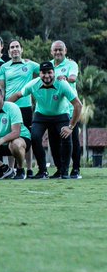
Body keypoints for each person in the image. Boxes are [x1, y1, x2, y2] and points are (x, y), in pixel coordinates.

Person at [8, 62, 82, 179]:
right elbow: (18, 95)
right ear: (40, 73)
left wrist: (71, 127)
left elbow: (78, 105)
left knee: (66, 137)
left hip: (61, 114)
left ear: (54, 73)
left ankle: (63, 171)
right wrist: (5, 107)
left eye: (49, 72)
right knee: (35, 136)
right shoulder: (33, 84)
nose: (46, 75)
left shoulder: (62, 84)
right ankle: (42, 171)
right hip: (41, 115)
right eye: (43, 73)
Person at [0, 39, 39, 177]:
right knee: (11, 137)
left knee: (27, 138)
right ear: (9, 51)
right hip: (10, 107)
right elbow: (1, 88)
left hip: (25, 106)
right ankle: (12, 169)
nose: (15, 49)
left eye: (17, 46)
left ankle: (29, 168)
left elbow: (48, 70)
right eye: (12, 47)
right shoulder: (4, 67)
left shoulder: (30, 64)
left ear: (21, 49)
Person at [50, 40, 82, 178]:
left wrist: (66, 78)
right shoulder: (49, 65)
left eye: (60, 50)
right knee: (55, 142)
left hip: (70, 109)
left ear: (65, 50)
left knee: (73, 140)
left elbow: (73, 78)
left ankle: (75, 169)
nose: (58, 52)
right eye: (55, 50)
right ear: (51, 51)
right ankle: (60, 169)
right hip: (55, 110)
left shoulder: (71, 64)